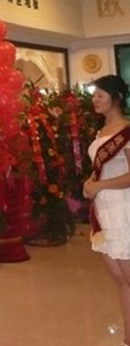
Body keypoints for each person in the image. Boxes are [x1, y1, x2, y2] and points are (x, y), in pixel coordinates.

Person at [83, 74, 130, 346]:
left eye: (100, 95)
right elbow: (101, 169)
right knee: (120, 279)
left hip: (124, 208)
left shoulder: (126, 131)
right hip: (104, 210)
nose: (95, 100)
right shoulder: (101, 132)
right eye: (94, 95)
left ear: (117, 98)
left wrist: (100, 185)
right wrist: (90, 182)